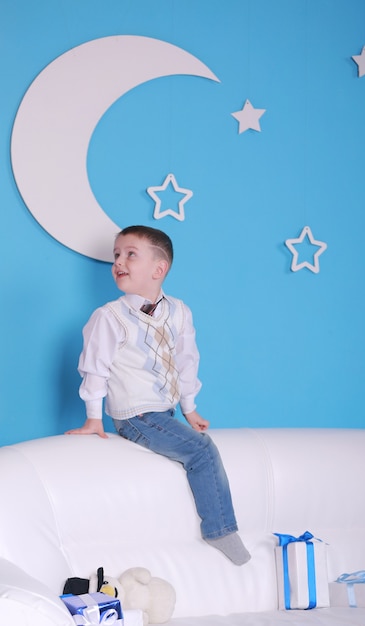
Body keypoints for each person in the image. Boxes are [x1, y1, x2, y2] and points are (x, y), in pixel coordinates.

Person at [66, 225, 251, 566]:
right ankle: (220, 529)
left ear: (159, 269)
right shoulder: (109, 317)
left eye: (130, 254)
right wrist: (94, 416)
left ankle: (217, 526)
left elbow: (187, 361)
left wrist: (190, 408)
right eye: (116, 255)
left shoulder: (179, 311)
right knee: (202, 450)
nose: (119, 261)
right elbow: (95, 367)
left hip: (163, 413)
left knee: (198, 439)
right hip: (134, 415)